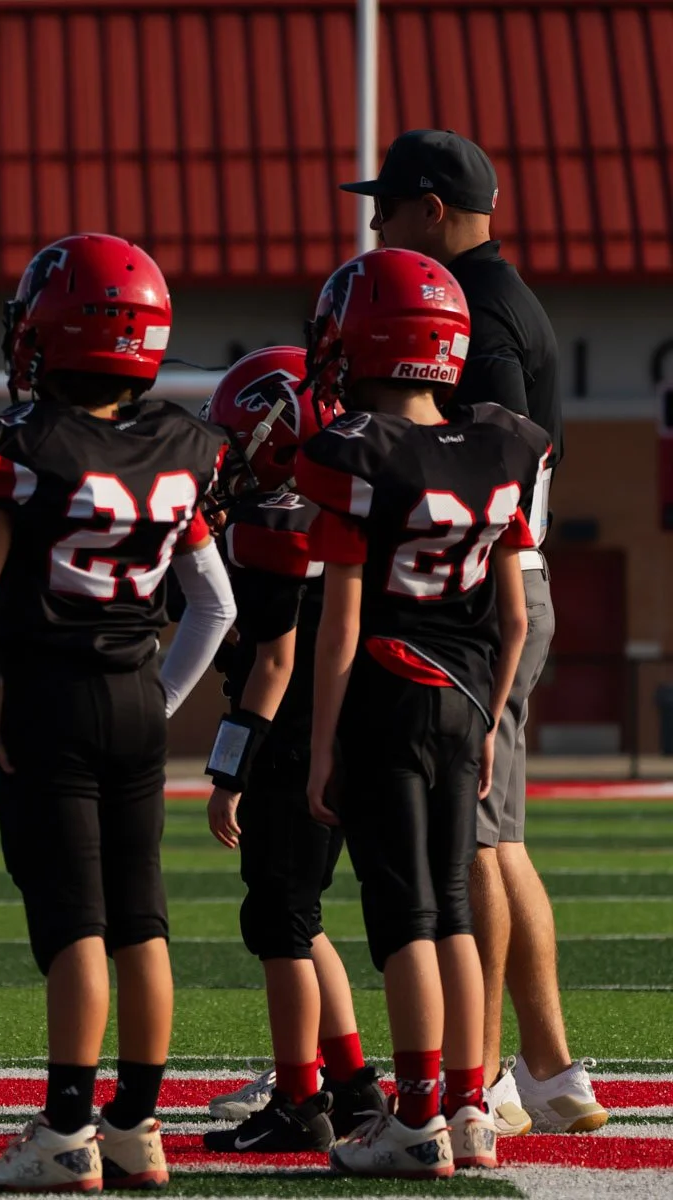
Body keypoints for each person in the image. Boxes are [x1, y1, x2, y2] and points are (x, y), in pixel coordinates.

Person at [0, 234, 235, 1191]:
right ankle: (136, 1126)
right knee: (142, 916)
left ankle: (67, 1130)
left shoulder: (19, 447)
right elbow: (211, 600)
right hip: (137, 701)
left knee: (74, 921)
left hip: (52, 702)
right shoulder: (189, 446)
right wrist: (159, 697)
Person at [339, 129, 600, 1136]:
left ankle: (482, 1075)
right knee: (499, 841)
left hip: (478, 596)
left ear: (431, 210)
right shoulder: (510, 297)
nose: (375, 225)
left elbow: (477, 467)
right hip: (503, 583)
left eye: (388, 206)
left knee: (470, 846)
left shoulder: (475, 314)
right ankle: (549, 1067)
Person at [296, 248, 546, 1177]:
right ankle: (470, 1107)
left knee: (402, 916)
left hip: (388, 694)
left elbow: (341, 624)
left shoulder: (358, 454)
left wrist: (322, 747)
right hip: (469, 696)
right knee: (451, 909)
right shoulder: (503, 441)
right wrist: (487, 721)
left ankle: (412, 1120)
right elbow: (515, 614)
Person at [195, 348, 384, 1155]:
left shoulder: (281, 526)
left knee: (278, 920)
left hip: (291, 741)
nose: (228, 454)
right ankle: (354, 1086)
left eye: (241, 437)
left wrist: (226, 772)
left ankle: (301, 1098)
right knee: (301, 920)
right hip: (339, 735)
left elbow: (271, 665)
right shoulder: (335, 510)